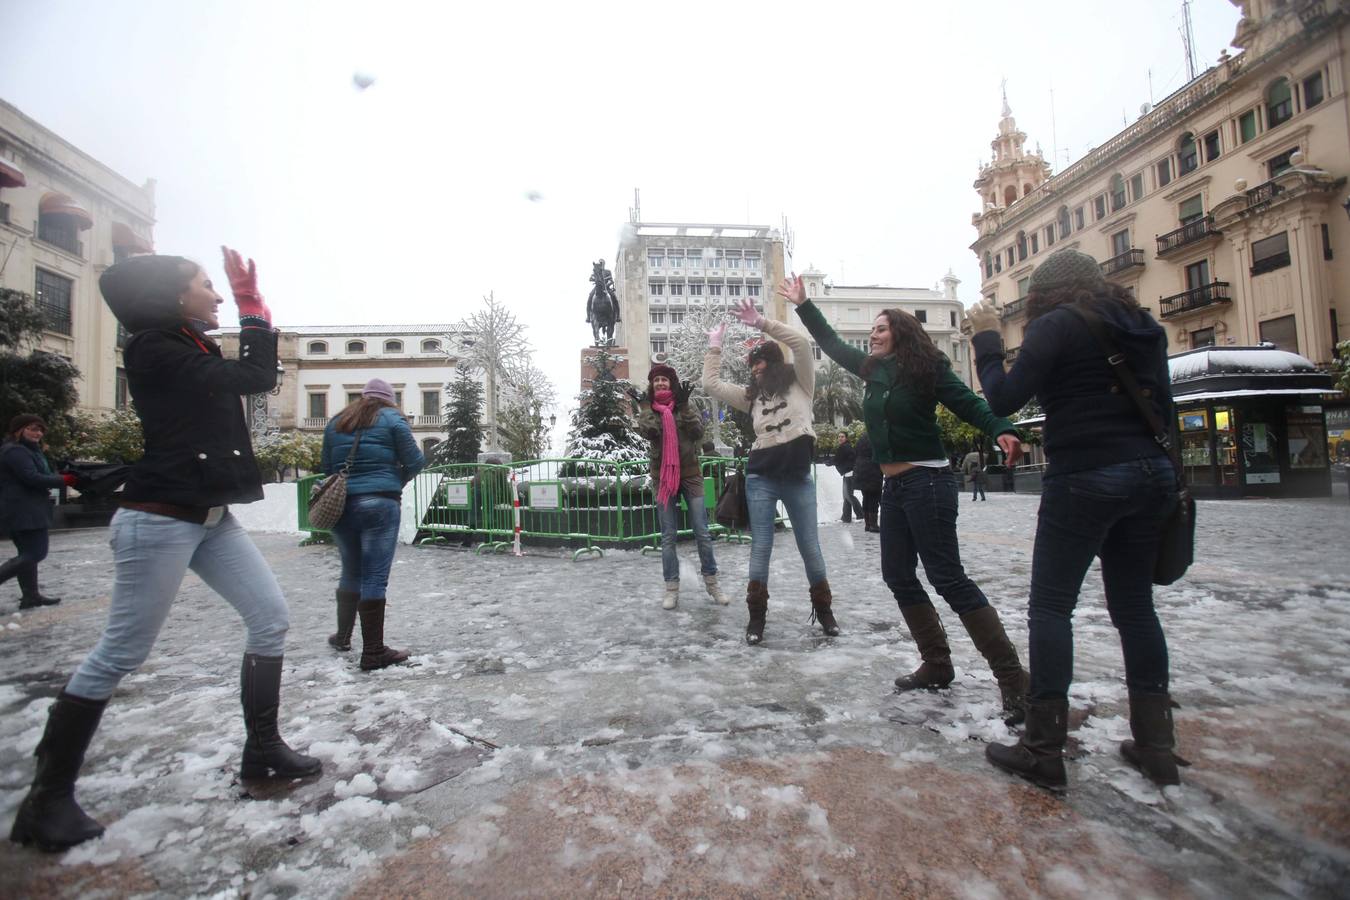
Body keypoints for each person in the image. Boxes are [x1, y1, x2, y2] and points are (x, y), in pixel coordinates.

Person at [9, 250, 321, 853]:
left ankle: (262, 749)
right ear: (174, 297)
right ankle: (45, 799)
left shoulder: (185, 344)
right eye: (209, 287)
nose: (218, 298)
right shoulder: (154, 348)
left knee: (270, 619)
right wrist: (255, 311)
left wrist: (251, 311)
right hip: (157, 522)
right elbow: (254, 377)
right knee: (121, 652)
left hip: (209, 518)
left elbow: (248, 378)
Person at [968, 248, 1183, 791]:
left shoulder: (1057, 325)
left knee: (1051, 607)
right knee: (1135, 609)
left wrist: (988, 339)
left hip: (1086, 472)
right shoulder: (1143, 325)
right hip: (1151, 474)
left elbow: (1003, 396)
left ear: (1042, 296)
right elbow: (1167, 407)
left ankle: (1043, 749)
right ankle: (1157, 746)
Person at [783, 275, 1029, 723]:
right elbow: (833, 344)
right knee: (897, 573)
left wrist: (1001, 427)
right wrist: (805, 305)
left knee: (947, 577)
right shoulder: (873, 370)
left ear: (900, 333)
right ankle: (937, 662)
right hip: (894, 487)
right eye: (872, 330)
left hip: (928, 483)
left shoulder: (927, 368)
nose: (873, 336)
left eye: (880, 329)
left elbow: (968, 404)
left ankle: (1013, 680)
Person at [702, 297, 838, 643]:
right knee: (761, 546)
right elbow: (711, 386)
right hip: (761, 477)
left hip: (796, 478)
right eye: (753, 367)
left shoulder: (802, 383)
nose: (757, 370)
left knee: (810, 546)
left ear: (775, 364)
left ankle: (825, 612)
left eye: (762, 364)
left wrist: (762, 323)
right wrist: (714, 347)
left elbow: (802, 343)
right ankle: (756, 619)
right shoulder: (752, 396)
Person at [321, 379, 427, 668]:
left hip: (342, 506)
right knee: (374, 576)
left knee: (351, 571)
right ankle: (373, 651)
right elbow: (416, 461)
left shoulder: (337, 421)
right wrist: (394, 482)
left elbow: (327, 468)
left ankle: (343, 636)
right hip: (380, 503)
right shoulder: (393, 419)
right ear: (389, 399)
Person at [637, 364, 728, 610]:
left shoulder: (685, 405)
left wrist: (685, 406)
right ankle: (671, 588)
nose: (660, 384)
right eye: (656, 381)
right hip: (663, 478)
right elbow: (649, 432)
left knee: (702, 531)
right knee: (668, 536)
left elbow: (698, 431)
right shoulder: (651, 410)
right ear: (652, 385)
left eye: (664, 380)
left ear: (672, 383)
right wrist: (645, 408)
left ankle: (712, 583)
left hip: (691, 475)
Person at [0, 415, 78, 609]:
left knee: (27, 553)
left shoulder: (29, 451)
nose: (38, 433)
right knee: (36, 553)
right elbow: (32, 478)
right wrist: (64, 480)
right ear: (19, 430)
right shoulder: (15, 451)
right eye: (32, 429)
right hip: (24, 509)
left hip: (28, 507)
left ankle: (31, 596)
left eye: (40, 430)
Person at [853, 432, 883, 533]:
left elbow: (856, 452)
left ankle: (867, 524)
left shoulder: (862, 438)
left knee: (866, 497)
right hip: (873, 471)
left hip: (861, 471)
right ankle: (873, 525)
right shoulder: (876, 437)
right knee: (874, 498)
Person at [834, 433, 865, 523]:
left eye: (842, 437)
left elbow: (837, 459)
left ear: (846, 438)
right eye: (839, 436)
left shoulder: (844, 447)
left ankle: (861, 515)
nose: (840, 438)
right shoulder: (846, 446)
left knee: (849, 495)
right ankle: (846, 517)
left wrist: (829, 462)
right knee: (846, 496)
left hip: (849, 474)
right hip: (847, 473)